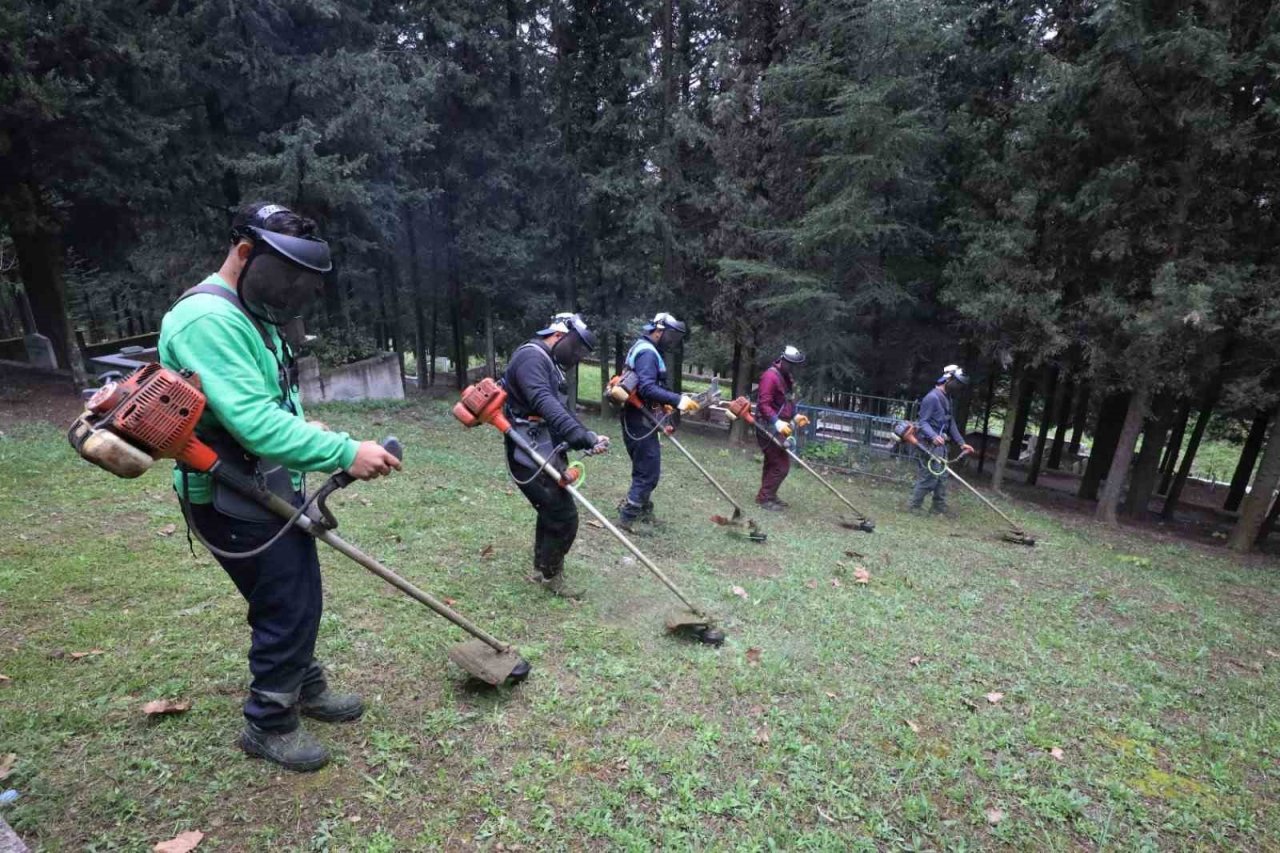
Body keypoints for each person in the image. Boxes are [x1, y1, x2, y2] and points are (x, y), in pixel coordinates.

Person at [158, 201, 402, 773]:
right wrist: (344, 451)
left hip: (263, 481)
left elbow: (265, 402)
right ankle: (268, 722)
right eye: (285, 274)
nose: (292, 290)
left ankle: (305, 684)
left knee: (297, 596)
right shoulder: (208, 320)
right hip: (229, 494)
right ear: (245, 253)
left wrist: (305, 428)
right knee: (285, 605)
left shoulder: (252, 313)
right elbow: (249, 422)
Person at [500, 312, 610, 598]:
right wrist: (579, 435)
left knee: (551, 508)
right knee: (563, 515)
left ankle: (542, 569)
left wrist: (585, 437)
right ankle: (551, 576)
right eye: (576, 347)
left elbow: (557, 412)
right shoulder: (532, 357)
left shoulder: (546, 362)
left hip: (542, 445)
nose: (576, 355)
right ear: (559, 335)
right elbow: (543, 402)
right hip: (527, 449)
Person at [616, 312, 701, 531]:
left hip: (641, 416)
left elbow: (650, 390)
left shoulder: (646, 348)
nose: (672, 341)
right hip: (638, 419)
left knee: (644, 467)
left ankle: (643, 510)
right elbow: (646, 387)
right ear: (658, 330)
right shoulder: (647, 353)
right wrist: (678, 399)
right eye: (670, 335)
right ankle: (628, 518)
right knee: (648, 471)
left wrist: (665, 406)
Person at [908, 364, 976, 514]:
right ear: (948, 379)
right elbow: (922, 422)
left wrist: (962, 443)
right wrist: (933, 436)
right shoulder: (932, 398)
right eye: (957, 383)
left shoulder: (948, 399)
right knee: (930, 477)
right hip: (927, 444)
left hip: (941, 446)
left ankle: (938, 508)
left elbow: (950, 424)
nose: (958, 387)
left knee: (942, 477)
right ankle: (914, 506)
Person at [755, 346, 806, 511]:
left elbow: (787, 401)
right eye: (791, 364)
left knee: (772, 462)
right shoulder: (770, 376)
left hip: (780, 426)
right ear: (783, 360)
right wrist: (777, 422)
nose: (793, 368)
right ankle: (764, 498)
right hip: (767, 426)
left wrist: (795, 416)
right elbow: (764, 404)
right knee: (781, 465)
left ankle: (769, 495)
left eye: (795, 365)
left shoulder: (785, 377)